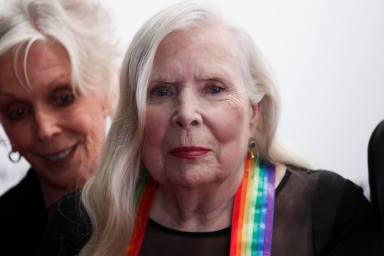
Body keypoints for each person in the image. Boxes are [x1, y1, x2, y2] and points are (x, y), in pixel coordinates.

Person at [41, 1, 378, 256]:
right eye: (161, 91)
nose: (187, 114)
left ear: (253, 114)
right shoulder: (83, 223)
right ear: (136, 117)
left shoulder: (329, 212)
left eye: (214, 89)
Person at [0, 0, 119, 255]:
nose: (44, 129)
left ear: (107, 90)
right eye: (17, 113)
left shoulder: (178, 205)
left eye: (63, 98)